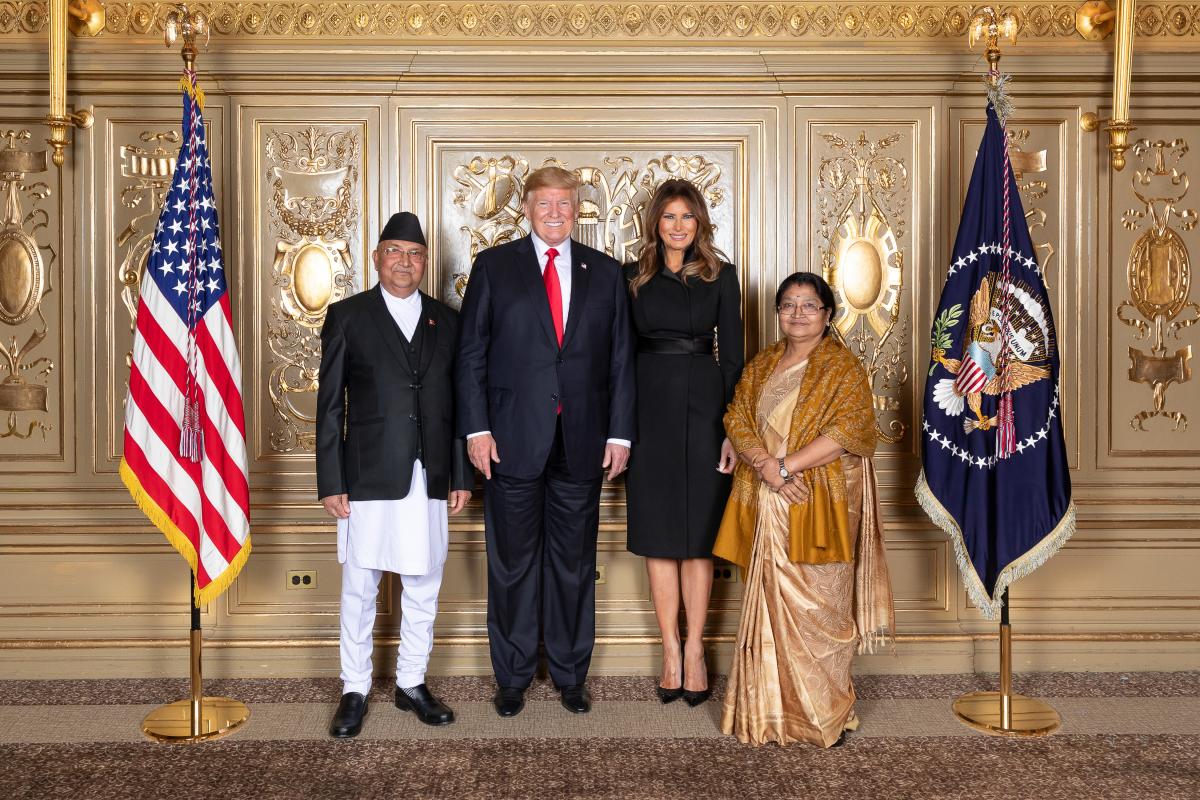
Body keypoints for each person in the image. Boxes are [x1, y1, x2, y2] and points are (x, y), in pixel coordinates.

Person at [455, 166, 636, 718]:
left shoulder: (605, 273)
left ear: (576, 207)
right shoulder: (494, 267)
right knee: (510, 563)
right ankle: (511, 676)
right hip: (510, 440)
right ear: (527, 209)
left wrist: (620, 432)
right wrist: (477, 429)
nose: (554, 212)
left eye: (564, 203)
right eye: (544, 204)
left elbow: (622, 359)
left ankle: (569, 673)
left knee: (574, 564)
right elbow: (471, 355)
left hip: (582, 440)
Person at [714, 271, 894, 748]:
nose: (797, 313)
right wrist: (766, 467)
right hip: (771, 492)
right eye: (788, 305)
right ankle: (773, 713)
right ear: (778, 313)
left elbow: (851, 431)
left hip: (820, 496)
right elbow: (736, 415)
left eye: (808, 305)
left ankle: (824, 713)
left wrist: (786, 468)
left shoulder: (842, 367)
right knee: (773, 602)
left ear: (827, 315)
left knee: (822, 606)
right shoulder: (763, 364)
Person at [316, 212, 472, 738]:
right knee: (360, 585)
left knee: (424, 581)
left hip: (428, 474)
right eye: (395, 251)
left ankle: (411, 682)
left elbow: (456, 403)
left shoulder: (446, 321)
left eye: (415, 254)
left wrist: (460, 476)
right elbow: (330, 408)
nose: (405, 262)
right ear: (378, 256)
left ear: (425, 262)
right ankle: (354, 688)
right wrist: (331, 480)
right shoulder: (348, 316)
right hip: (366, 474)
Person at [623, 178, 743, 706]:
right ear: (656, 223)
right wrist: (620, 430)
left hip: (703, 409)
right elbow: (617, 359)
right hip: (647, 408)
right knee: (657, 536)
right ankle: (668, 649)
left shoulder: (723, 276)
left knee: (697, 538)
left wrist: (733, 432)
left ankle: (695, 649)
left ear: (699, 223)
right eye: (669, 217)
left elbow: (735, 358)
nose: (678, 226)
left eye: (687, 217)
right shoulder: (630, 279)